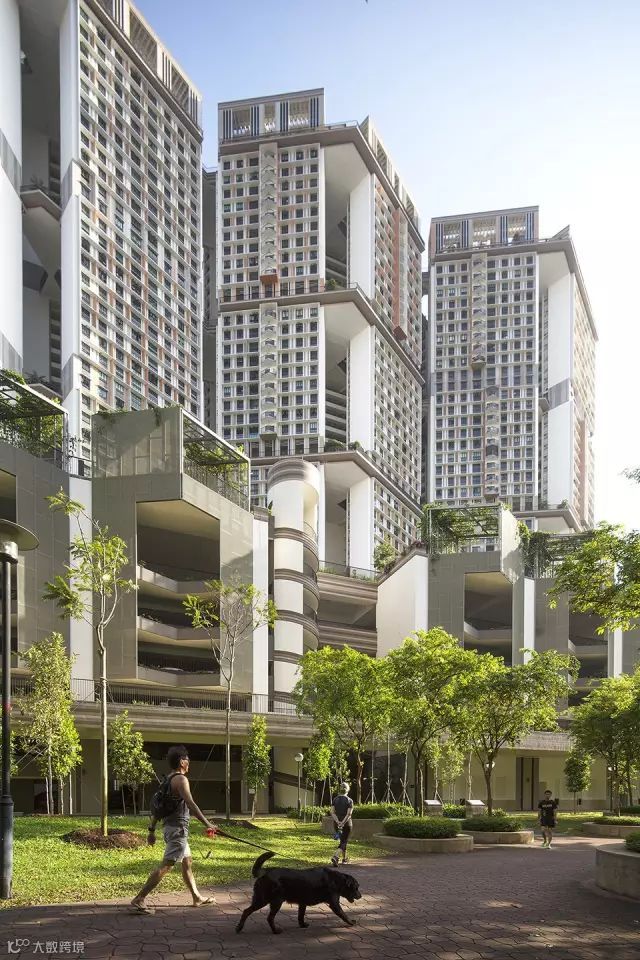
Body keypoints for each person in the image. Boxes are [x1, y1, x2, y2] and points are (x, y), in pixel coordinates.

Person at [131, 745, 216, 913]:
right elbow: (191, 804)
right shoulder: (181, 780)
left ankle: (196, 897)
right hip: (178, 830)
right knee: (167, 865)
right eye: (187, 759)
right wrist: (208, 824)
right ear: (182, 762)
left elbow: (158, 808)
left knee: (187, 862)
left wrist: (151, 830)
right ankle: (139, 898)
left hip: (171, 828)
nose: (189, 762)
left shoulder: (168, 780)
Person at [330, 782, 354, 867]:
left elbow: (332, 812)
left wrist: (338, 822)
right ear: (348, 790)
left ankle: (344, 859)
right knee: (344, 841)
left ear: (340, 789)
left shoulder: (335, 799)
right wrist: (343, 823)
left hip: (336, 824)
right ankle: (336, 856)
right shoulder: (349, 800)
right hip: (347, 824)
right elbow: (349, 814)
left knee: (343, 840)